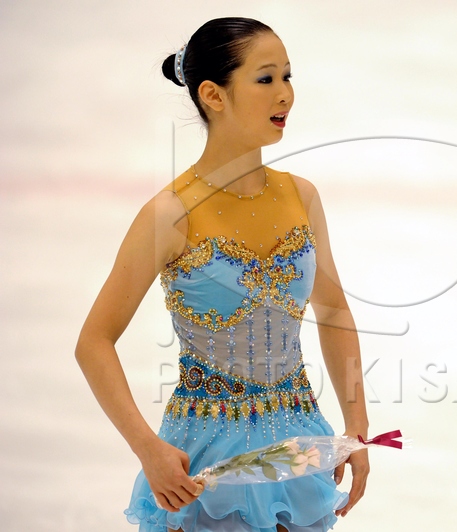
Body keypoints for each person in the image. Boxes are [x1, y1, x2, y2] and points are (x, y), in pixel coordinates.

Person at [74, 17, 370, 532]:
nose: (285, 94)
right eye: (265, 78)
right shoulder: (170, 214)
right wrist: (147, 448)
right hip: (205, 457)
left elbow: (334, 309)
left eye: (287, 76)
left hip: (298, 446)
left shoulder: (301, 196)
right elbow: (93, 342)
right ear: (213, 94)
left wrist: (357, 428)